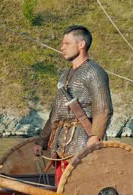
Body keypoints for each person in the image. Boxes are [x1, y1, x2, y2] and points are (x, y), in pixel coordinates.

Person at [33, 25, 113, 185]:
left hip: (83, 140)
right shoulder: (64, 75)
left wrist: (94, 136)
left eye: (67, 43)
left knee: (81, 187)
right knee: (62, 188)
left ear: (81, 44)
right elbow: (56, 113)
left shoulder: (94, 72)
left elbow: (103, 109)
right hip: (61, 144)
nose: (62, 48)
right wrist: (42, 141)